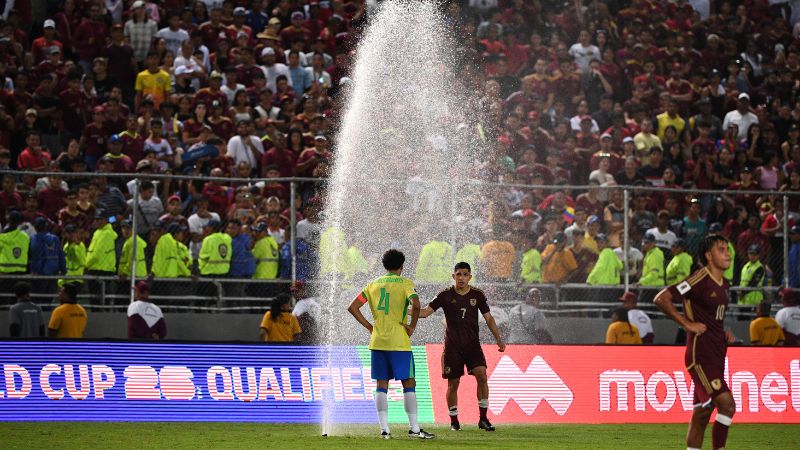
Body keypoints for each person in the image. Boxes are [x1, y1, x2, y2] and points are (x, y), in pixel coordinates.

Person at [654, 234, 736, 450]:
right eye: (721, 249)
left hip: (717, 352)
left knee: (702, 413)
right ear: (709, 255)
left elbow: (712, 317)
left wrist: (723, 332)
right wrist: (686, 324)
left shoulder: (725, 284)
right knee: (727, 405)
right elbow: (662, 298)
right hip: (701, 355)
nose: (727, 253)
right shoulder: (699, 279)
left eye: (727, 249)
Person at [347, 249, 434, 439]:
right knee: (409, 382)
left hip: (378, 341)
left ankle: (384, 430)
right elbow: (417, 305)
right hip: (399, 341)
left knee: (381, 385)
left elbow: (352, 307)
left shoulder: (372, 285)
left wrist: (370, 327)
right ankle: (414, 429)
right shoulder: (406, 284)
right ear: (402, 266)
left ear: (384, 265)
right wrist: (411, 327)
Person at [418, 262, 505, 432]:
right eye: (458, 274)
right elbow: (425, 312)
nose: (461, 278)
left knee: (482, 376)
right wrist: (407, 310)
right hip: (453, 347)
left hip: (473, 346)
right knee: (453, 383)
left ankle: (483, 419)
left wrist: (498, 338)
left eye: (465, 274)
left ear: (470, 277)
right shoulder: (444, 295)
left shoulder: (477, 295)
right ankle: (454, 421)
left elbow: (488, 318)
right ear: (453, 276)